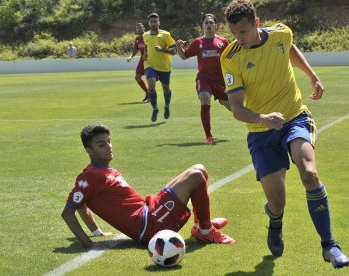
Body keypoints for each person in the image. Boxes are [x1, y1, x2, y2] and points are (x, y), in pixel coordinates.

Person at [221, 0, 348, 268]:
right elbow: (236, 109)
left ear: (257, 23)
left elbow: (288, 48)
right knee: (277, 203)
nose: (239, 39)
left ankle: (330, 245)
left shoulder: (281, 33)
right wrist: (262, 118)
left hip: (294, 117)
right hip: (260, 131)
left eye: (243, 32)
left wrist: (312, 75)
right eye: (234, 34)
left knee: (309, 173)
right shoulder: (231, 58)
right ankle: (275, 220)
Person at [61, 124, 235, 248]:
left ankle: (200, 227)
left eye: (109, 141)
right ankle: (206, 232)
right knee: (196, 176)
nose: (109, 146)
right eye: (101, 144)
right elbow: (69, 212)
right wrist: (88, 243)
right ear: (89, 151)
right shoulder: (89, 176)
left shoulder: (103, 170)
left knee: (199, 169)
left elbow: (83, 204)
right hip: (149, 225)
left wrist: (96, 232)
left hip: (150, 210)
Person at [176, 14, 231, 145]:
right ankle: (208, 136)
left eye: (211, 22)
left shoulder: (223, 42)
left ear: (216, 26)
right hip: (204, 78)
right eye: (206, 22)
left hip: (220, 81)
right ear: (202, 26)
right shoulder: (197, 42)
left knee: (235, 109)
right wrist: (178, 47)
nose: (209, 24)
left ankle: (223, 101)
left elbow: (231, 59)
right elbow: (184, 56)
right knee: (205, 99)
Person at [143, 13, 177, 122]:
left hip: (164, 66)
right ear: (148, 23)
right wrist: (144, 55)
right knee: (151, 84)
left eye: (155, 21)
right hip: (150, 65)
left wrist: (162, 49)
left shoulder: (165, 35)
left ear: (159, 22)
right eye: (151, 22)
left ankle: (166, 106)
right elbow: (146, 48)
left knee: (166, 88)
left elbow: (174, 50)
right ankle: (155, 109)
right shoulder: (145, 35)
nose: (153, 23)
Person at [127, 23, 149, 103]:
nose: (138, 29)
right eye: (137, 28)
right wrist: (130, 56)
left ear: (143, 28)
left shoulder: (148, 36)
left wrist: (147, 55)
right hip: (142, 60)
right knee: (137, 77)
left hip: (150, 60)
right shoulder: (137, 39)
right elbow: (135, 50)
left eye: (140, 27)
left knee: (149, 78)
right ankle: (147, 92)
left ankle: (150, 95)